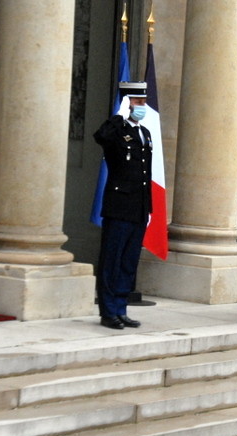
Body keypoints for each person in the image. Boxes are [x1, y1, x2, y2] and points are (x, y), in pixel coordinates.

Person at [93, 81, 152, 330]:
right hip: (119, 206)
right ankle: (108, 311)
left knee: (129, 262)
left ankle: (121, 307)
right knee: (112, 260)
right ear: (127, 104)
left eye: (143, 102)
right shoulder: (116, 131)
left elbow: (145, 172)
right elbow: (100, 137)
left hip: (138, 207)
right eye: (138, 102)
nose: (142, 107)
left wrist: (148, 208)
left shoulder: (145, 133)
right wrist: (118, 116)